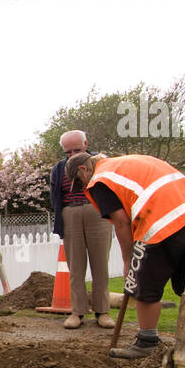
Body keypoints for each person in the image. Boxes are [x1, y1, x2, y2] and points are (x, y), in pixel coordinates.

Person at [66, 151, 185, 359]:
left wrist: (128, 260)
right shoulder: (127, 162)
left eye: (79, 182)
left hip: (161, 220)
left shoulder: (100, 180)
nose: (82, 186)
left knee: (143, 285)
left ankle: (147, 342)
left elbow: (122, 222)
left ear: (83, 169)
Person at [50, 130, 116, 330]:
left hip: (98, 213)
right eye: (68, 152)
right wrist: (61, 221)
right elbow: (55, 197)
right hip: (71, 215)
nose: (72, 155)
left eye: (76, 150)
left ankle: (102, 312)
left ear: (86, 144)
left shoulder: (101, 163)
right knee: (76, 268)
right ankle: (77, 312)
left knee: (100, 266)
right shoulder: (59, 169)